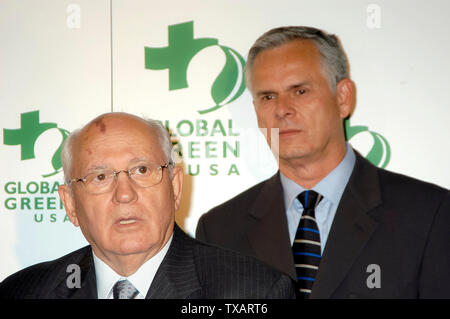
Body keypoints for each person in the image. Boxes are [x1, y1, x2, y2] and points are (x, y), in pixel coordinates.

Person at [196, 26, 450, 298]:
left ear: (343, 98)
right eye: (268, 96)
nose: (282, 109)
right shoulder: (219, 231)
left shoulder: (429, 216)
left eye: (300, 91)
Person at [0, 112, 295, 299]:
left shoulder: (254, 292)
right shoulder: (22, 292)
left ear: (175, 187)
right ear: (70, 204)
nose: (124, 194)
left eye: (142, 170)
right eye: (100, 176)